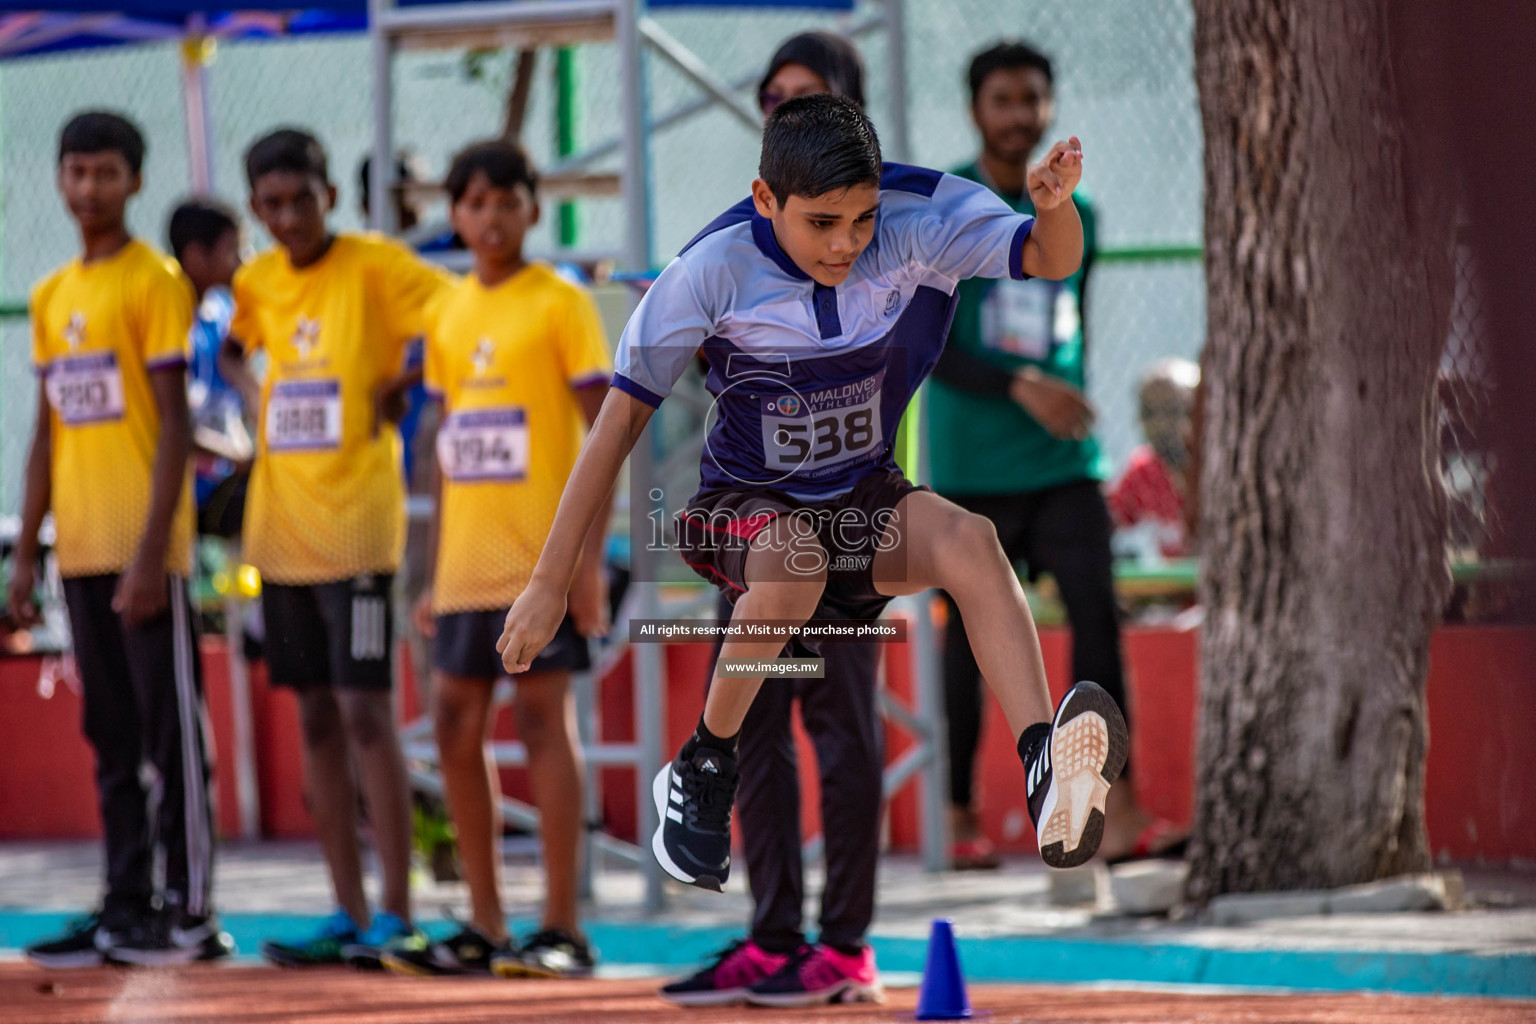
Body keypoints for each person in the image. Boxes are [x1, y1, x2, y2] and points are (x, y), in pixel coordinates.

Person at [497, 94, 1127, 906]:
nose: (846, 245)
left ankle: (1044, 762)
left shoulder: (922, 220)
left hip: (862, 495)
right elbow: (614, 428)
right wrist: (550, 581)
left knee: (971, 541)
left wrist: (1054, 207)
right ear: (766, 200)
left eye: (861, 220)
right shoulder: (708, 272)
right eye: (822, 223)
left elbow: (1048, 257)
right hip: (742, 499)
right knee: (791, 568)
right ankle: (703, 763)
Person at [662, 32, 886, 1009]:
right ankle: (771, 937)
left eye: (809, 99)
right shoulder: (731, 243)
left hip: (840, 519)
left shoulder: (880, 243)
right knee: (748, 720)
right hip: (751, 524)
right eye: (773, 99)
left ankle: (845, 947)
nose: (785, 112)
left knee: (841, 729)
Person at [925, 41, 1184, 867]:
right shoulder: (946, 210)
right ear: (975, 111)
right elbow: (927, 348)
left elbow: (1072, 325)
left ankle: (1119, 808)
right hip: (972, 470)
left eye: (1032, 99)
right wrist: (1023, 386)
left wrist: (1062, 393)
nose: (1019, 115)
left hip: (1065, 467)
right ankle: (960, 817)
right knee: (965, 648)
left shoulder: (1085, 213)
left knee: (1099, 629)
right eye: (1002, 99)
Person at [217, 128, 450, 968]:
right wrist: (253, 396)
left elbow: (456, 315)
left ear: (331, 197)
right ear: (254, 208)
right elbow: (233, 349)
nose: (287, 218)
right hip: (281, 537)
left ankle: (397, 910)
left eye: (301, 200)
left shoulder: (378, 266)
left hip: (358, 532)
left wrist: (403, 382)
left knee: (366, 714)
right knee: (313, 713)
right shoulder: (257, 280)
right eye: (271, 205)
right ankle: (345, 909)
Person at [380, 140, 612, 979]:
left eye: (505, 201)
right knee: (451, 725)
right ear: (454, 214)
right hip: (464, 570)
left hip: (539, 570)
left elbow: (606, 436)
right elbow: (445, 452)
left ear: (531, 209)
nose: (489, 218)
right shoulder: (445, 312)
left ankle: (562, 926)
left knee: (545, 725)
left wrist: (584, 567)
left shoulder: (562, 300)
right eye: (472, 203)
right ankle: (485, 923)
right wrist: (430, 576)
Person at [10, 112, 228, 967]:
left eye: (106, 173)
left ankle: (192, 912)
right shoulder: (52, 294)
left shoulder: (156, 281)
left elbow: (175, 426)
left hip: (148, 558)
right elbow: (44, 434)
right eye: (75, 172)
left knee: (171, 734)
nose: (89, 188)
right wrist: (29, 553)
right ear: (59, 180)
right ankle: (123, 903)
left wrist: (149, 556)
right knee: (109, 737)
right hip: (81, 554)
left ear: (135, 181)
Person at [167, 198, 251, 539]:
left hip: (224, 477)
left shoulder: (222, 316)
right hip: (181, 490)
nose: (246, 261)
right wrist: (238, 456)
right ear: (195, 257)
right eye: (234, 250)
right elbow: (171, 425)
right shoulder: (167, 319)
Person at [1107, 358, 1200, 560]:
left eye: (1174, 411)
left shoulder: (1225, 472)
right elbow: (1107, 523)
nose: (1160, 426)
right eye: (1149, 413)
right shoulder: (1143, 471)